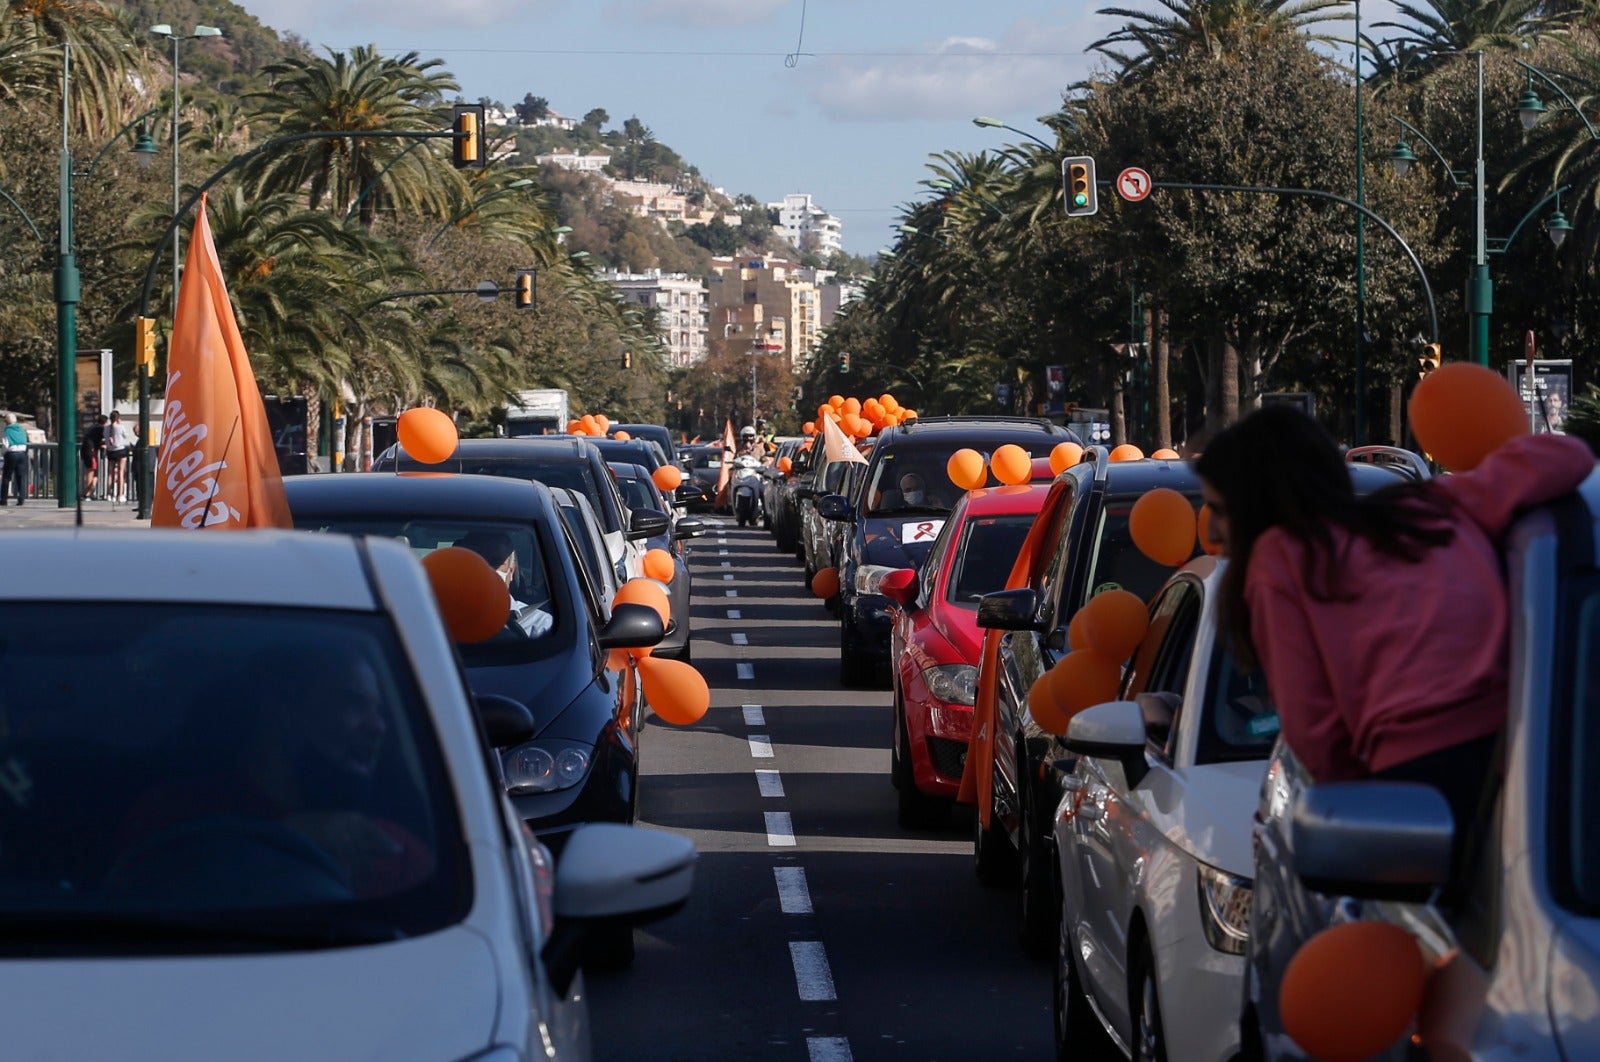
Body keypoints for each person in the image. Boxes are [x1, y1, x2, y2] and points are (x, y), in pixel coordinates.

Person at [1195, 404, 1593, 844]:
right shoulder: (1433, 508)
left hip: (1422, 788)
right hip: (1541, 755)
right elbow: (1568, 457)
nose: (1212, 529)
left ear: (1257, 504)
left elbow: (1314, 730)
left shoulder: (1281, 557)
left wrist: (1360, 813)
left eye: (1220, 509)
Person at [454, 530, 554, 638]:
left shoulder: (541, 626)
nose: (485, 571)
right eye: (475, 563)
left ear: (511, 570)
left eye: (495, 563)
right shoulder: (438, 621)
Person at [104, 411, 133, 503]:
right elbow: (125, 436)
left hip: (110, 450)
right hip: (120, 449)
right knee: (121, 472)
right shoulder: (120, 427)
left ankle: (109, 493)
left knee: (110, 472)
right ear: (118, 418)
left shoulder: (106, 428)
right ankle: (120, 494)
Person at [2, 414, 27, 505]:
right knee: (20, 476)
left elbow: (5, 444)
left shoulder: (7, 430)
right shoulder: (21, 429)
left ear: (7, 421)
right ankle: (21, 498)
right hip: (22, 454)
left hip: (11, 454)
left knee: (6, 477)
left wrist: (4, 453)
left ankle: (3, 499)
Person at [81, 414, 107, 500]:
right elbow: (102, 440)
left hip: (86, 449)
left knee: (94, 472)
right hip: (91, 451)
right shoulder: (100, 429)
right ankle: (87, 494)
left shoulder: (92, 427)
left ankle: (91, 490)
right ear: (105, 422)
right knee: (91, 471)